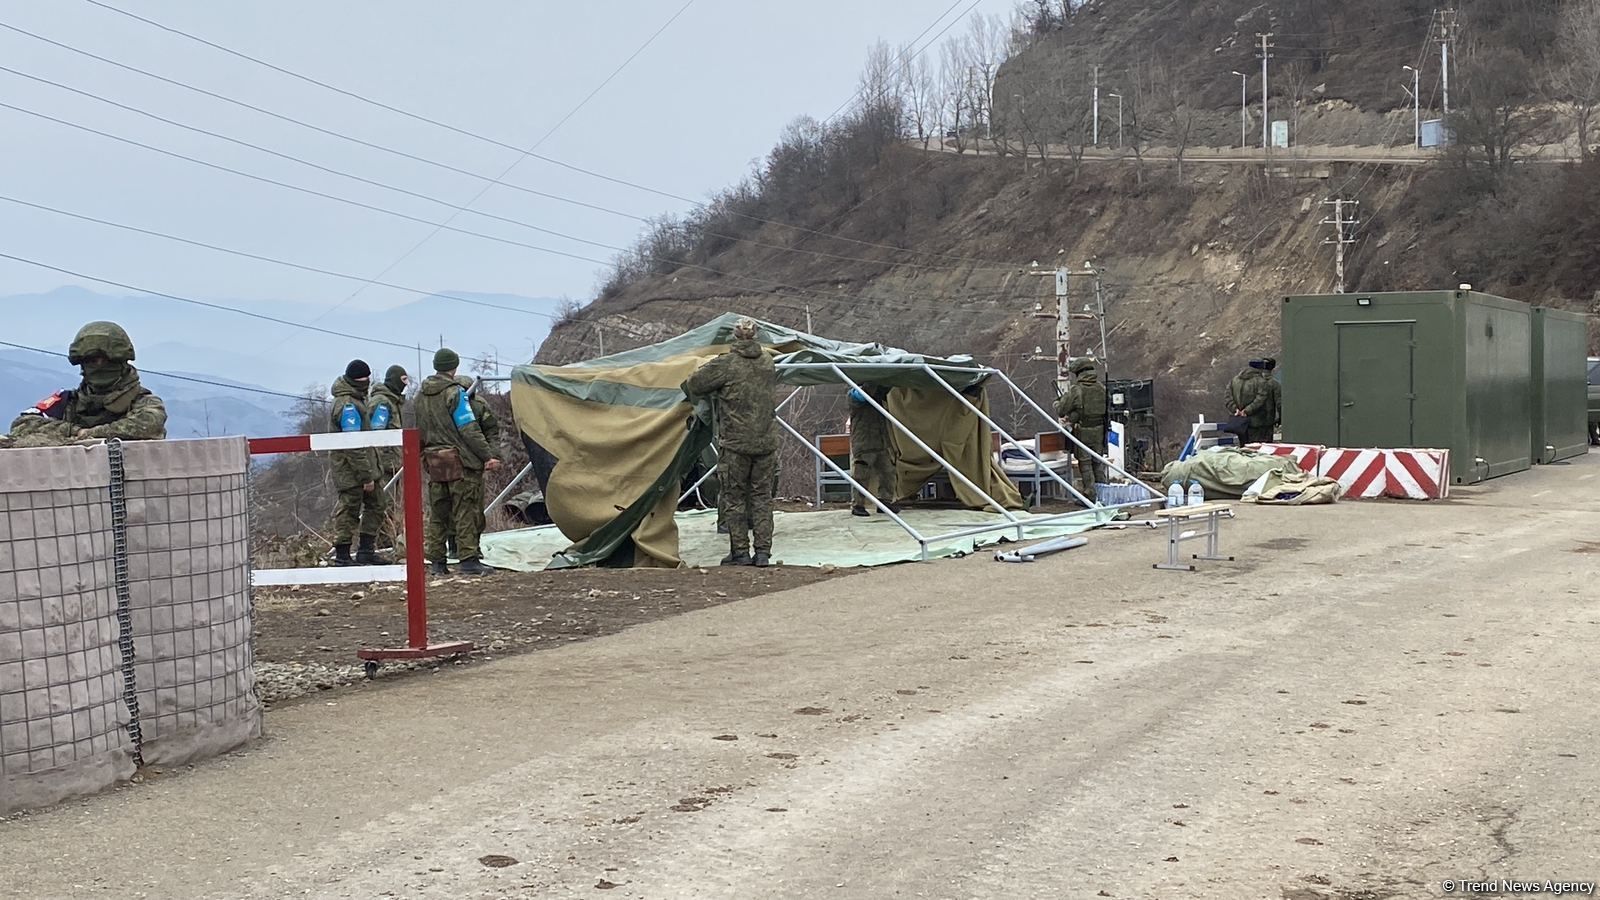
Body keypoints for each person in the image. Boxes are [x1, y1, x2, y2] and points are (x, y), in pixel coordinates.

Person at [684, 317, 777, 568]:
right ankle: (763, 552)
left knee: (734, 497)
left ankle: (740, 552)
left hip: (735, 443)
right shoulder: (768, 362)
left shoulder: (726, 364)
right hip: (766, 442)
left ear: (733, 337)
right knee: (762, 497)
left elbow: (695, 383)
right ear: (756, 336)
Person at [6, 321, 167, 448]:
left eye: (104, 361)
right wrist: (73, 431)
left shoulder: (144, 402)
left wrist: (89, 434)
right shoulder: (67, 402)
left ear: (120, 361)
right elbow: (23, 424)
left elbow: (148, 425)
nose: (97, 366)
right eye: (90, 361)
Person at [416, 349, 501, 576]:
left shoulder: (420, 396)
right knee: (465, 510)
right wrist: (487, 456)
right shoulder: (455, 394)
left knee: (438, 513)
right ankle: (469, 560)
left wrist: (424, 456)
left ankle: (437, 562)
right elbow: (469, 429)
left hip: (435, 461)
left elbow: (420, 432)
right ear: (454, 367)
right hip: (460, 461)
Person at [327, 360, 390, 567]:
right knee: (349, 510)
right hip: (352, 471)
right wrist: (366, 476)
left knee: (377, 505)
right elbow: (352, 444)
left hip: (366, 468)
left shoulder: (357, 400)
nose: (368, 381)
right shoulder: (348, 404)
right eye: (365, 378)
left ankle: (366, 550)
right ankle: (343, 555)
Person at [1054, 357, 1108, 503]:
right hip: (1100, 430)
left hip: (1083, 430)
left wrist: (1057, 403)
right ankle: (1104, 494)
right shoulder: (1101, 388)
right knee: (1098, 463)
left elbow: (1061, 410)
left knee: (1085, 464)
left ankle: (1090, 495)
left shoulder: (1076, 389)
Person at [848, 384, 900, 517]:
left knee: (888, 472)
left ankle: (884, 502)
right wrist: (874, 382)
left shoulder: (878, 400)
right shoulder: (854, 395)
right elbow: (861, 395)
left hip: (881, 442)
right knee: (862, 474)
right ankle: (858, 505)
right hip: (864, 442)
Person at [1230, 358, 1275, 444]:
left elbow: (1228, 397)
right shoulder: (1261, 382)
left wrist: (1236, 410)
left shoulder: (1235, 380)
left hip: (1240, 422)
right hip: (1257, 423)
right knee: (1256, 451)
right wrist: (1247, 411)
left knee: (1243, 448)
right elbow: (1261, 398)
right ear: (1261, 368)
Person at [1262, 357, 1283, 439]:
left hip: (1249, 422)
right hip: (1267, 421)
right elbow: (1279, 404)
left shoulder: (1251, 383)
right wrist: (1281, 418)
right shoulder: (1275, 384)